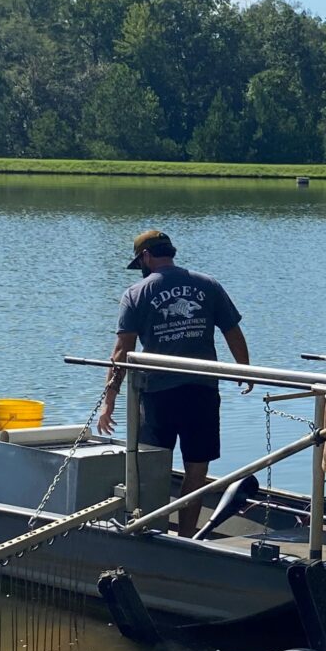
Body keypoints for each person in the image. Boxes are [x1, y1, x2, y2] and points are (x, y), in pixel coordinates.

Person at [97, 229, 251, 534]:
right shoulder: (208, 285)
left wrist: (109, 399)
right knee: (197, 469)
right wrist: (244, 369)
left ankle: (150, 530)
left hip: (158, 395)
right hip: (202, 391)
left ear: (145, 257)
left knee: (153, 467)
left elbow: (121, 352)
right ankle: (187, 536)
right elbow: (232, 331)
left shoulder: (136, 293)